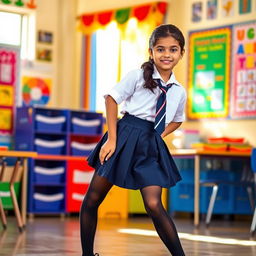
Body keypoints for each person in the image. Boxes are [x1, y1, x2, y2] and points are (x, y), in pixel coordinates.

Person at [80, 24, 186, 256]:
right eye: (160, 49)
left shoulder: (179, 90)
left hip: (150, 143)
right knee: (93, 198)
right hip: (124, 134)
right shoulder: (138, 76)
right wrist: (112, 140)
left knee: (154, 204)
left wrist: (159, 135)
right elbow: (111, 99)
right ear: (151, 52)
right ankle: (87, 254)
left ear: (181, 53)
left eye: (173, 49)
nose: (166, 54)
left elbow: (178, 120)